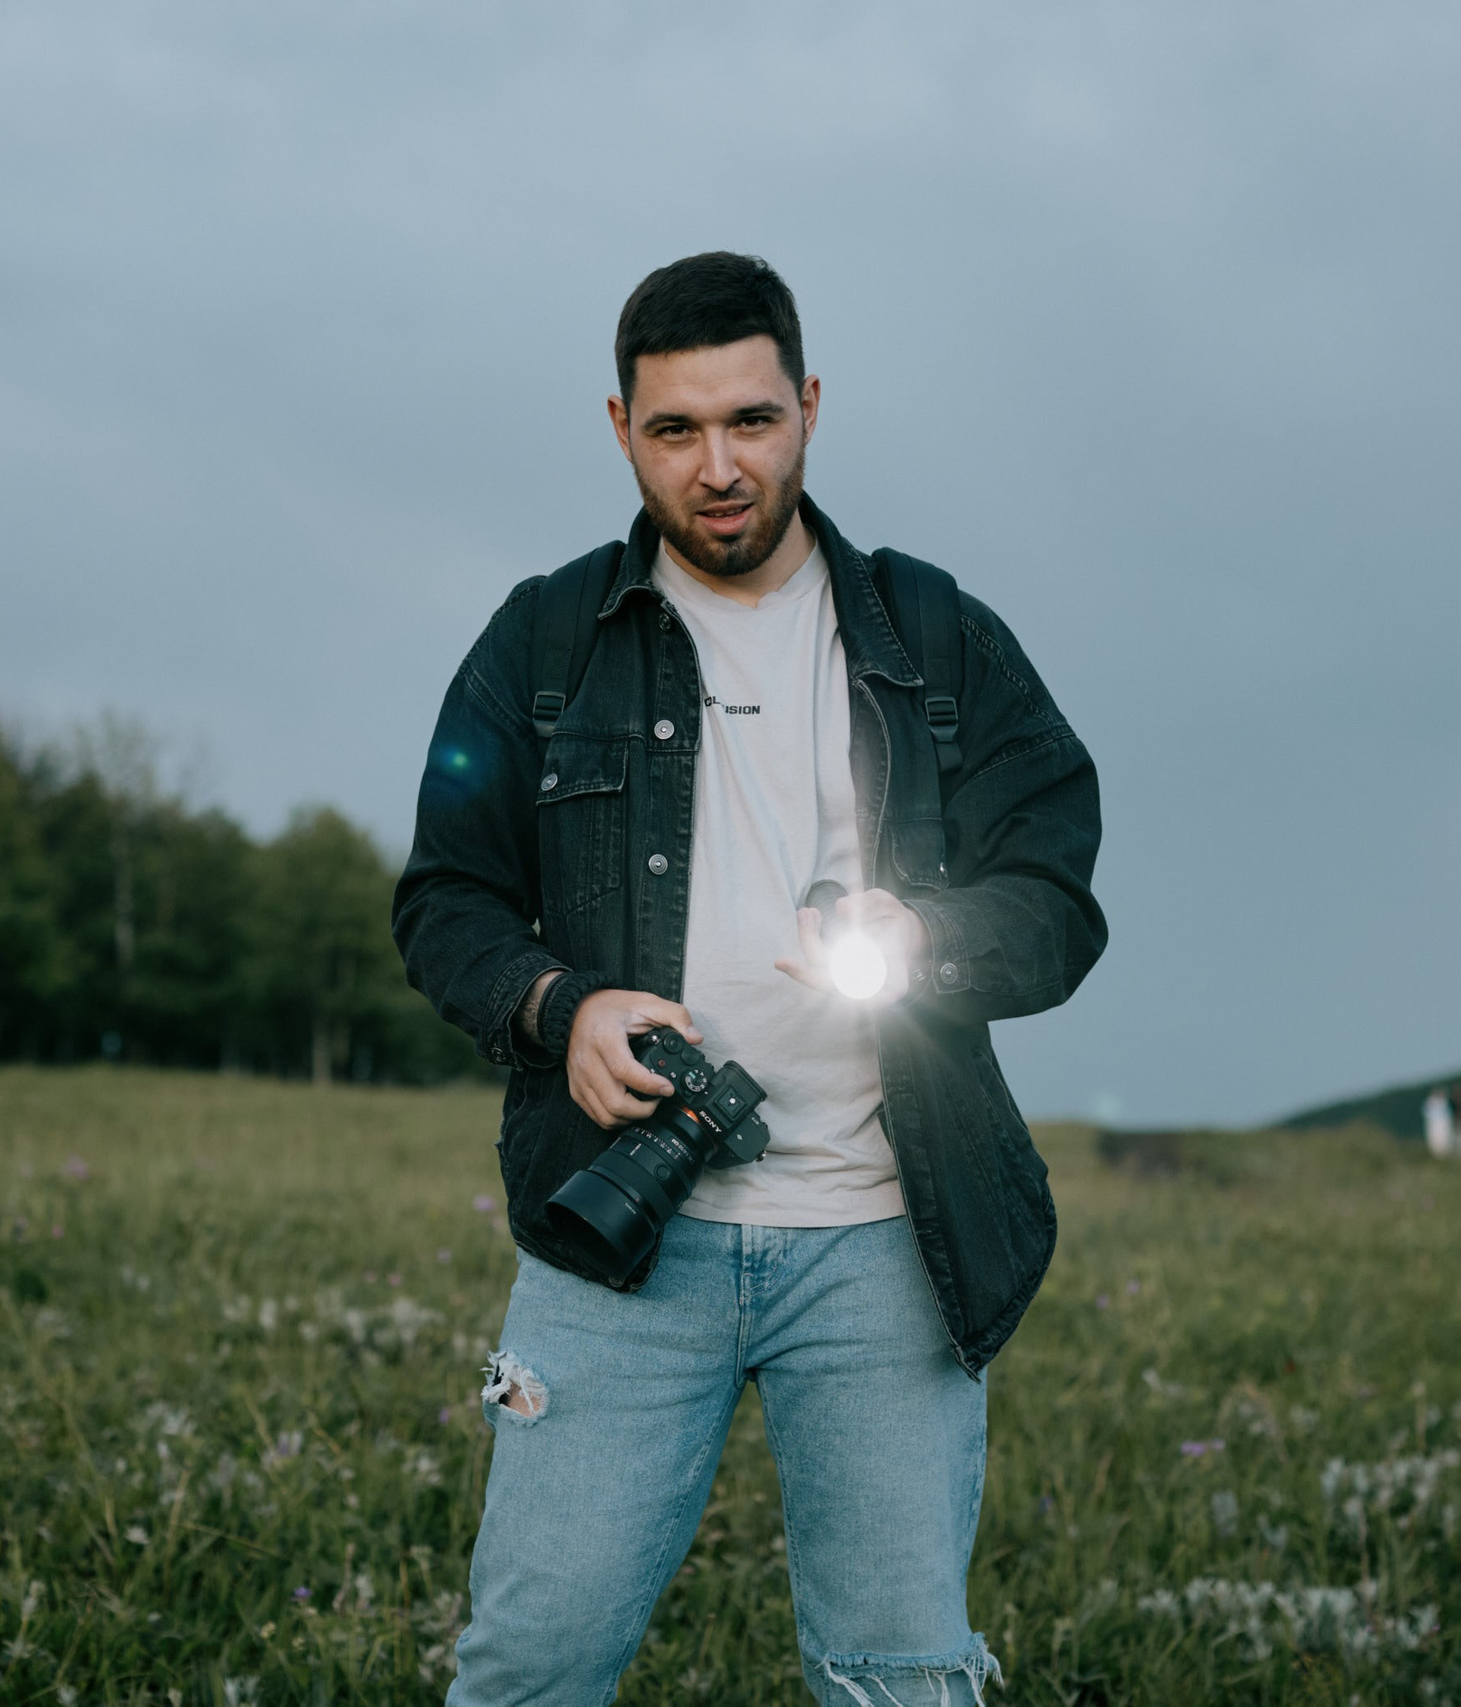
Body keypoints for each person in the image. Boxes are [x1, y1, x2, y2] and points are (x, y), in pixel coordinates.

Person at [392, 252, 1107, 1706]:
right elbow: (445, 897)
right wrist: (557, 1007)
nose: (719, 467)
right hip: (622, 1226)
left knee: (901, 1679)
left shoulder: (939, 636)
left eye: (753, 422)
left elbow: (1056, 899)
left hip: (889, 1236)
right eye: (676, 430)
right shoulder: (544, 641)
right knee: (530, 1666)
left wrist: (921, 942)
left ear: (811, 408)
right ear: (619, 428)